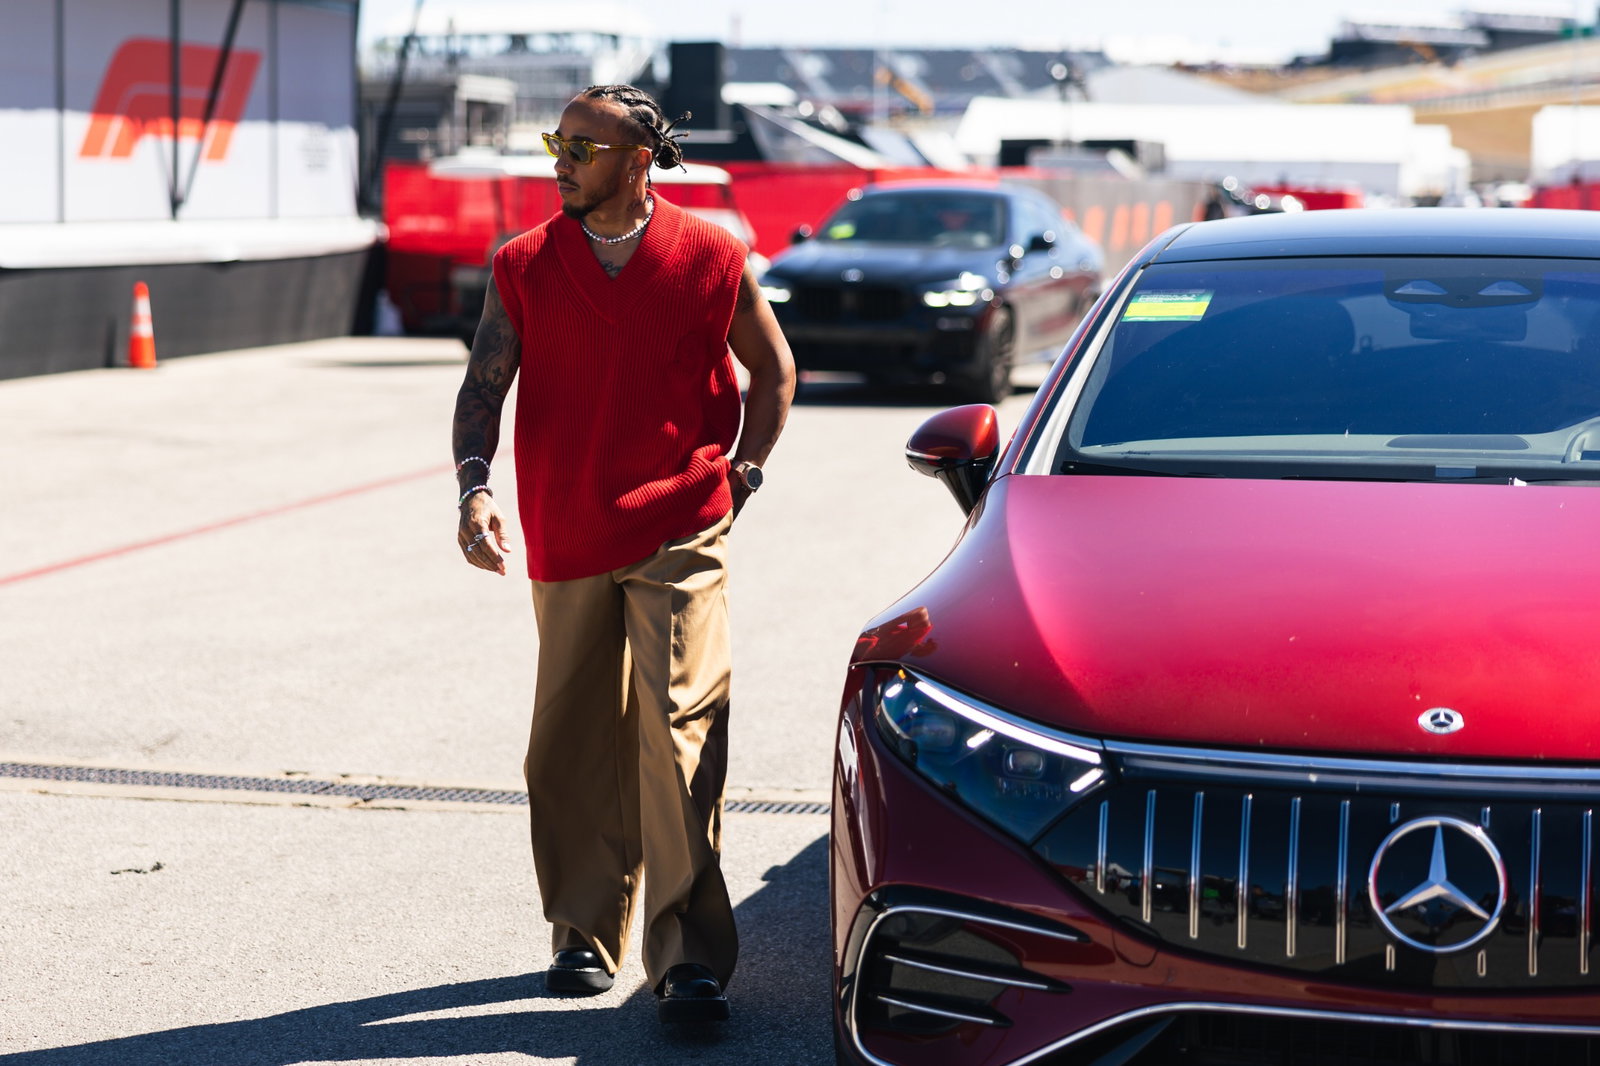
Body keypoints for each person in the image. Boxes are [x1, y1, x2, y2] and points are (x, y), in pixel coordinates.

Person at [449, 84, 795, 1025]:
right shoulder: (522, 264)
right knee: (566, 744)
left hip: (681, 522)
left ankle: (686, 958)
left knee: (679, 726)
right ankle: (583, 933)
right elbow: (482, 389)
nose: (561, 159)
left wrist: (745, 476)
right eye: (557, 142)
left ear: (640, 159)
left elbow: (774, 371)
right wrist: (474, 486)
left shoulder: (713, 255)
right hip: (564, 526)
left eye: (584, 147)